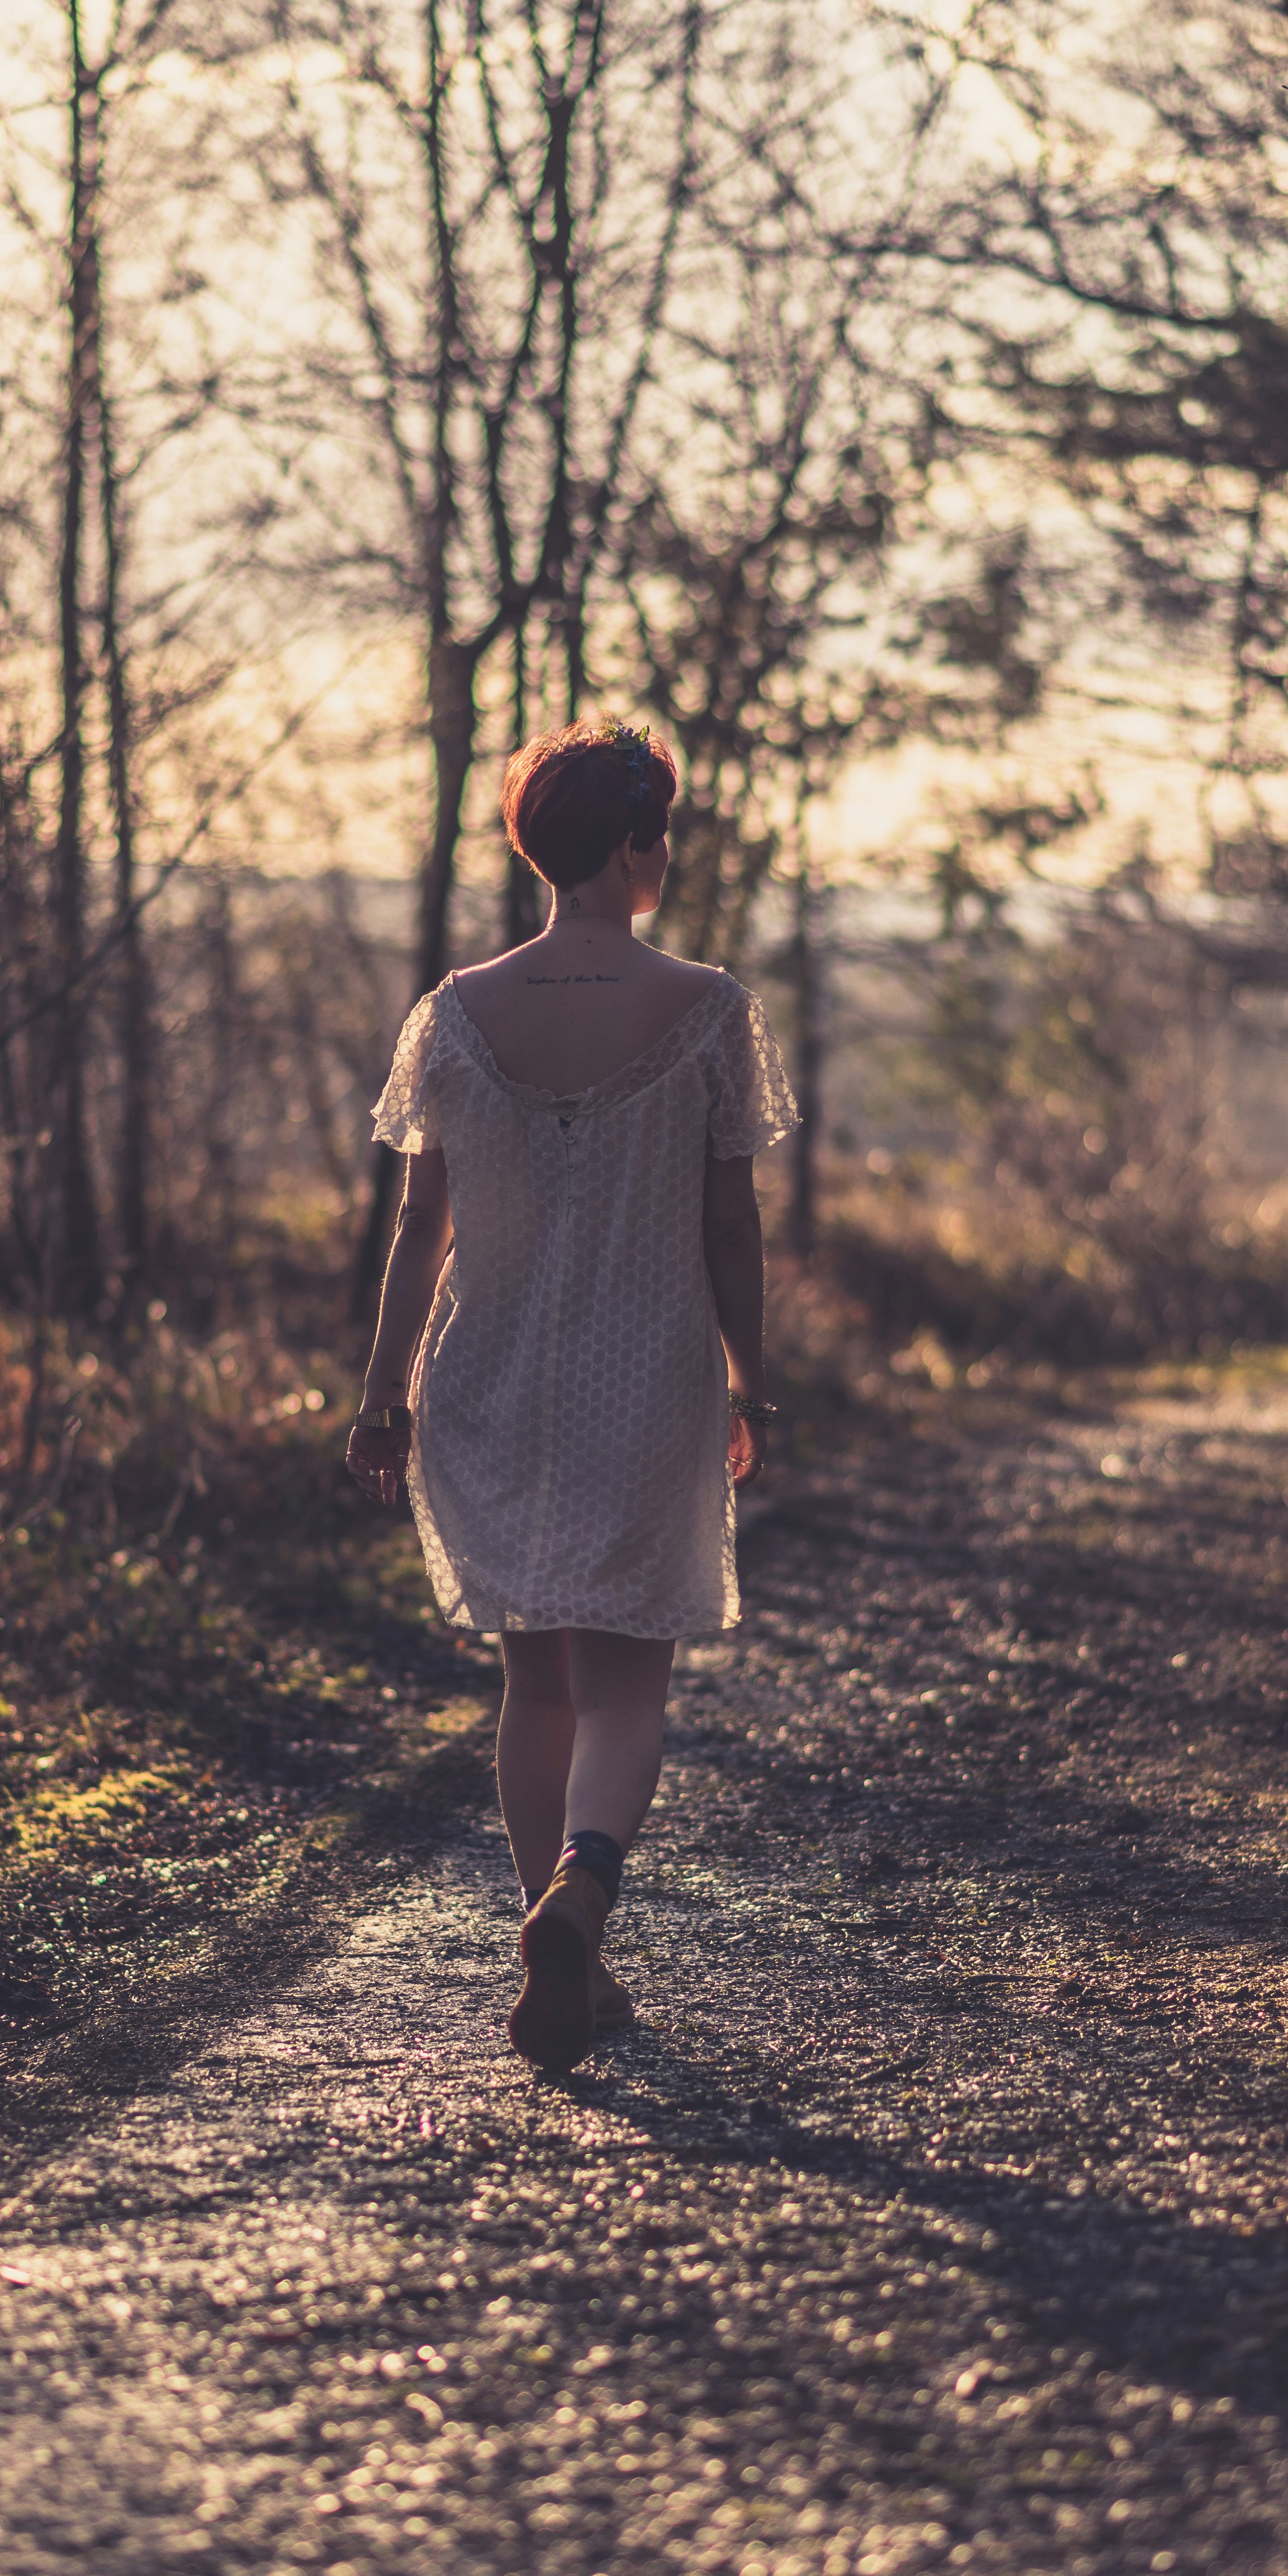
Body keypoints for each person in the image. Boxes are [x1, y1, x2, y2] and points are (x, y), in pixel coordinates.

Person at [345, 717, 797, 2071]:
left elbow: (417, 1226)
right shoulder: (707, 1006)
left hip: (482, 1379)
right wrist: (751, 1382)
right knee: (623, 1689)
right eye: (662, 834)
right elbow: (732, 1228)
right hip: (642, 1374)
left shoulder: (455, 1011)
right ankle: (581, 1900)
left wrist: (381, 1396)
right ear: (633, 844)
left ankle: (558, 1942)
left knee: (531, 1686)